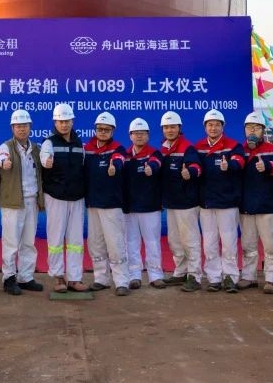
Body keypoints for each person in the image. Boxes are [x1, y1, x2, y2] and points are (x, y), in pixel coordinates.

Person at [195, 109, 245, 293]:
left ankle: (230, 277)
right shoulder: (198, 147)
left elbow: (240, 162)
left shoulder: (233, 146)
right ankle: (214, 278)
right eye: (210, 125)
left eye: (217, 125)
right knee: (209, 243)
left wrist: (229, 165)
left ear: (223, 127)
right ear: (205, 127)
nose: (213, 128)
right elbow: (194, 166)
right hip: (206, 203)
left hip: (227, 203)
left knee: (229, 242)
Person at [0, 109, 45, 295]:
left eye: (25, 126)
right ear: (12, 128)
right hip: (13, 203)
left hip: (32, 200)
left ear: (30, 127)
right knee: (11, 242)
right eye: (18, 126)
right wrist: (4, 163)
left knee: (28, 242)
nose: (22, 129)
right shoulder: (6, 147)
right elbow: (1, 158)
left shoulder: (36, 149)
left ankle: (26, 277)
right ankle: (9, 278)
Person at [40, 103, 88, 292]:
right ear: (55, 122)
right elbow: (44, 158)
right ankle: (58, 277)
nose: (64, 124)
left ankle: (75, 278)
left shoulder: (79, 143)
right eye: (60, 121)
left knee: (76, 240)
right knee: (56, 238)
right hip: (56, 196)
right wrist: (46, 162)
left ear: (72, 121)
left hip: (77, 197)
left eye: (67, 121)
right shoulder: (49, 142)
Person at [84, 111, 130, 296]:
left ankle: (121, 281)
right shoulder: (88, 149)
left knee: (115, 243)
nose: (102, 132)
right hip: (93, 204)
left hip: (111, 205)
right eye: (100, 129)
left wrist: (114, 168)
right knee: (95, 243)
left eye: (106, 129)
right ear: (95, 130)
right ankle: (101, 279)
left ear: (113, 131)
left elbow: (119, 161)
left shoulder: (118, 149)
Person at [238, 112, 273, 293]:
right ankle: (249, 277)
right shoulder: (239, 150)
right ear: (244, 130)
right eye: (249, 127)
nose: (253, 131)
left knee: (270, 245)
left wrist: (267, 167)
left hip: (266, 205)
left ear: (263, 130)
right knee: (248, 245)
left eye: (257, 128)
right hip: (245, 206)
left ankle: (271, 279)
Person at [159, 111, 203, 292]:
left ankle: (195, 276)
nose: (169, 130)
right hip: (171, 202)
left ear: (179, 128)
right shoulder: (163, 149)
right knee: (175, 241)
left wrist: (190, 172)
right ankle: (181, 272)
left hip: (187, 203)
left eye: (173, 127)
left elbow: (197, 167)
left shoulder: (187, 148)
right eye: (166, 127)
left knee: (190, 240)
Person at [123, 118, 166, 289]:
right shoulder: (125, 156)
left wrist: (151, 169)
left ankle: (155, 275)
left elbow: (156, 164)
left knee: (152, 242)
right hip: (130, 207)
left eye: (142, 133)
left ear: (148, 136)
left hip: (150, 206)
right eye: (136, 133)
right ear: (130, 136)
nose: (139, 136)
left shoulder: (155, 154)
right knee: (131, 243)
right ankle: (134, 275)